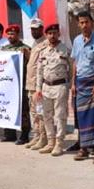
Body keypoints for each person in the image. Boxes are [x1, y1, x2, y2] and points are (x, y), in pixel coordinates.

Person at [71, 11, 94, 162]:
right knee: (82, 117)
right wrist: (73, 83)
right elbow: (75, 62)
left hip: (93, 82)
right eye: (81, 22)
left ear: (92, 23)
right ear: (78, 24)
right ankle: (84, 148)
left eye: (87, 22)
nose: (84, 25)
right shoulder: (77, 40)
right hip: (80, 83)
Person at [35, 24, 71, 156]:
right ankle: (50, 142)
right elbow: (39, 71)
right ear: (46, 35)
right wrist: (38, 89)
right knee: (46, 115)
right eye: (49, 33)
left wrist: (69, 86)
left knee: (60, 116)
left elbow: (72, 69)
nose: (52, 36)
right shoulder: (43, 51)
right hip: (46, 87)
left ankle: (59, 143)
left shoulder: (65, 50)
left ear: (59, 34)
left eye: (55, 33)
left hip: (60, 86)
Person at [1, 24, 31, 144]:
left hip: (21, 84)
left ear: (18, 35)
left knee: (23, 110)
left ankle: (24, 135)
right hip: (7, 85)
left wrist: (26, 55)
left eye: (13, 34)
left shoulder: (25, 48)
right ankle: (9, 134)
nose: (10, 36)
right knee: (8, 108)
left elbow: (31, 64)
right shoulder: (4, 49)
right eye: (8, 34)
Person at [26, 18, 48, 150]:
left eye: (36, 29)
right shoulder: (34, 43)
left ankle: (43, 138)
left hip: (38, 85)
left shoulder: (46, 43)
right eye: (32, 29)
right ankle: (36, 135)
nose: (34, 31)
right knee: (34, 112)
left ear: (41, 29)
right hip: (30, 84)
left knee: (41, 113)